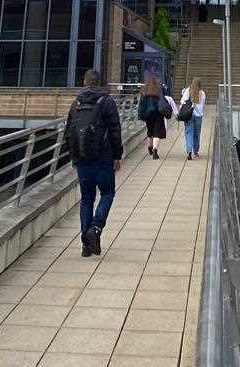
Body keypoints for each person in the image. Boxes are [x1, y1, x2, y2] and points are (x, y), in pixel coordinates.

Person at [64, 68, 123, 256]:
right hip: (103, 159)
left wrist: (74, 157)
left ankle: (85, 245)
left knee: (86, 199)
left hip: (82, 159)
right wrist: (117, 155)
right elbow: (115, 130)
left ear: (84, 82)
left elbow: (68, 133)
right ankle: (95, 229)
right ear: (99, 83)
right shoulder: (107, 102)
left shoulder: (75, 104)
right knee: (107, 193)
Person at [137, 76, 174, 159]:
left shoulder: (144, 91)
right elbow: (164, 101)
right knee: (157, 133)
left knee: (150, 132)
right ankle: (155, 150)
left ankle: (150, 146)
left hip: (148, 115)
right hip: (158, 114)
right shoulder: (159, 91)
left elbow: (141, 105)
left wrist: (141, 114)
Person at [178, 77, 207, 160]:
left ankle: (189, 150)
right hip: (198, 116)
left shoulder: (187, 91)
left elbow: (182, 102)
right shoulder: (202, 93)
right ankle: (196, 151)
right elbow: (202, 105)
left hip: (189, 116)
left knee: (189, 133)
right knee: (197, 134)